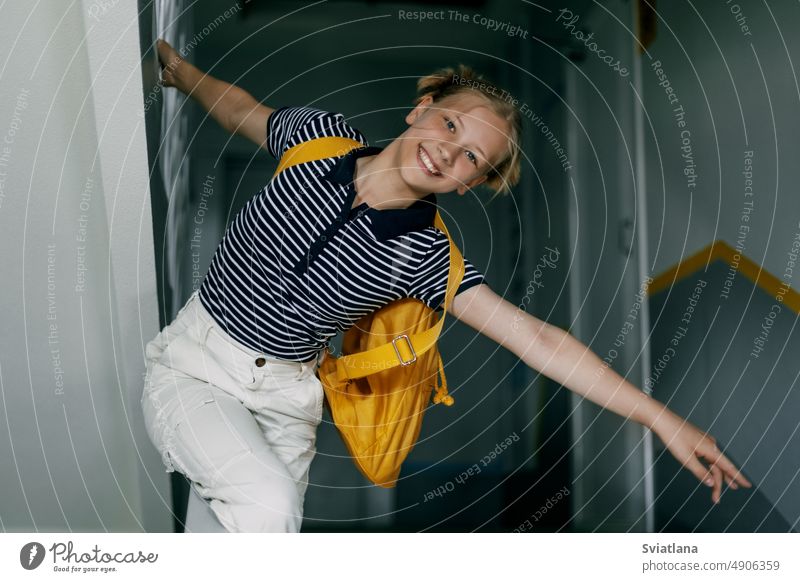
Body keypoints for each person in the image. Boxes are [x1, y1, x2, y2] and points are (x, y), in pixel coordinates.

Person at [140, 39, 751, 533]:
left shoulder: (426, 256)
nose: (447, 152)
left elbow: (540, 341)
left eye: (470, 160)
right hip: (198, 361)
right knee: (266, 508)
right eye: (450, 124)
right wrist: (178, 71)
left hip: (286, 402)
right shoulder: (316, 137)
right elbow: (238, 109)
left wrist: (660, 419)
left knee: (240, 532)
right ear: (421, 108)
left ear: (467, 185)